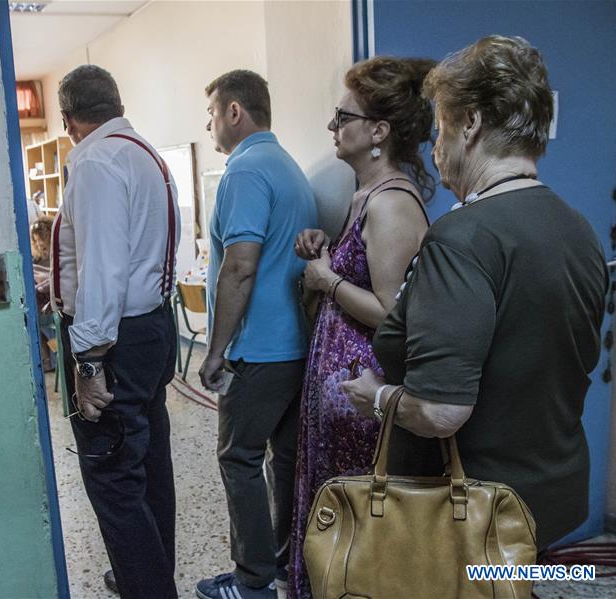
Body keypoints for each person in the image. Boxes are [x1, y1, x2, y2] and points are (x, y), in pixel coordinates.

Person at [342, 35, 608, 552]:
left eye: (440, 126)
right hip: (551, 495)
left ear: (470, 125)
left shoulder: (463, 239)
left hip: (472, 513)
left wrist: (374, 396)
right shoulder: (577, 227)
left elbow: (441, 411)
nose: (435, 146)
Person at [287, 56, 435, 598]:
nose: (333, 128)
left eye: (341, 117)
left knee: (354, 538)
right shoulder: (364, 196)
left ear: (378, 131)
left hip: (362, 404)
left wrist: (326, 281)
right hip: (342, 401)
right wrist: (326, 254)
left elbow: (394, 315)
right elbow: (363, 274)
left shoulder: (393, 202)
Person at [49, 64, 180, 599]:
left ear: (68, 119)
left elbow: (104, 269)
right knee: (149, 465)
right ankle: (147, 571)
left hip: (117, 341)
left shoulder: (98, 160)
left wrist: (89, 363)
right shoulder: (142, 153)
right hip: (150, 328)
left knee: (114, 479)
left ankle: (147, 587)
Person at [196, 70, 317, 599]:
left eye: (211, 114)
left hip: (259, 350)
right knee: (283, 458)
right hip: (296, 345)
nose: (209, 125)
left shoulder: (244, 172)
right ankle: (283, 565)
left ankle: (251, 582)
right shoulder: (288, 167)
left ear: (235, 112)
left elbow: (240, 267)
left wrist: (215, 349)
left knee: (238, 458)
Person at [31, 215, 56, 372]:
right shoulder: (37, 260)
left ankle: (51, 359)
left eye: (42, 238)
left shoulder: (58, 256)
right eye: (36, 240)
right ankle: (47, 359)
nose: (40, 243)